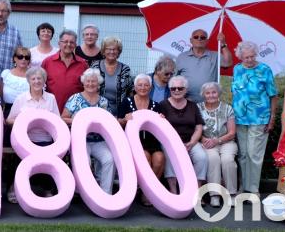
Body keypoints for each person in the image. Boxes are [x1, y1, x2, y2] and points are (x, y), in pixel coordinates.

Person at [5, 67, 59, 201]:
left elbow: (57, 121)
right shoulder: (21, 99)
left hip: (45, 139)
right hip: (25, 140)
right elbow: (9, 120)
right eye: (33, 79)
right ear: (28, 81)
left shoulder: (51, 98)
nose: (36, 81)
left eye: (39, 78)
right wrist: (22, 121)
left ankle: (47, 189)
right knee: (17, 160)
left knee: (49, 159)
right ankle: (13, 189)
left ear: (44, 80)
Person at [231, 41, 278, 196]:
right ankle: (243, 187)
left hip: (260, 117)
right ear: (240, 57)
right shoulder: (236, 69)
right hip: (239, 118)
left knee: (254, 154)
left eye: (252, 56)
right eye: (246, 57)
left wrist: (272, 118)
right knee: (243, 154)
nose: (249, 60)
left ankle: (253, 189)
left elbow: (273, 95)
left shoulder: (264, 69)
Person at [61, 68, 114, 194]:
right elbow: (62, 118)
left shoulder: (103, 102)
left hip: (98, 141)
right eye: (88, 81)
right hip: (80, 140)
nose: (90, 84)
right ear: (83, 83)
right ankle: (85, 191)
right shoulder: (75, 99)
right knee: (85, 161)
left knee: (109, 159)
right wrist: (75, 121)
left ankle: (106, 193)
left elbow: (109, 121)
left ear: (98, 84)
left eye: (94, 82)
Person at [118, 74, 163, 206]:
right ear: (135, 87)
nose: (143, 88)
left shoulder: (156, 105)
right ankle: (144, 191)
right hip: (134, 142)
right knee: (145, 157)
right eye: (140, 85)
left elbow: (160, 127)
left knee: (159, 158)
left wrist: (161, 119)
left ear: (150, 87)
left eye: (146, 85)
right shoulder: (127, 102)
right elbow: (118, 122)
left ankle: (149, 190)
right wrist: (124, 119)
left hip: (151, 141)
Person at [160, 75, 207, 194]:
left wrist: (192, 142)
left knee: (202, 157)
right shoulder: (163, 105)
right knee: (170, 155)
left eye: (180, 88)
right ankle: (173, 190)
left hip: (190, 141)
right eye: (173, 88)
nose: (176, 91)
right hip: (170, 142)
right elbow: (159, 127)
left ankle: (196, 190)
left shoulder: (193, 105)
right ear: (169, 90)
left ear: (185, 90)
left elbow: (198, 126)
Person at [197, 82, 237, 207]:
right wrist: (203, 139)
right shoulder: (198, 108)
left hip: (226, 141)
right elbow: (194, 129)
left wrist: (217, 140)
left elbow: (232, 133)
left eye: (214, 92)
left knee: (227, 160)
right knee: (212, 159)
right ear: (203, 94)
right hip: (207, 142)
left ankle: (231, 194)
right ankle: (215, 195)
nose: (211, 95)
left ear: (218, 93)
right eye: (207, 93)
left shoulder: (227, 108)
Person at [175, 29, 233, 102]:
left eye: (203, 37)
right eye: (196, 37)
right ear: (191, 40)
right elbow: (174, 79)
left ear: (207, 41)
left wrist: (223, 44)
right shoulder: (182, 57)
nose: (199, 39)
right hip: (186, 102)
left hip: (209, 102)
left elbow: (228, 63)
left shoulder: (215, 56)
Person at [41, 29, 89, 112]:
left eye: (72, 42)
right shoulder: (47, 62)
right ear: (59, 43)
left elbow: (87, 88)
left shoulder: (83, 64)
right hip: (51, 109)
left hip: (75, 112)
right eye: (65, 41)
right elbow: (40, 86)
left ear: (75, 45)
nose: (68, 44)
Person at [90, 36, 132, 118]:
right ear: (103, 51)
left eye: (115, 49)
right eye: (108, 49)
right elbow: (88, 87)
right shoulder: (95, 66)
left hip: (119, 114)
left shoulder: (125, 69)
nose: (112, 52)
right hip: (97, 112)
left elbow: (130, 92)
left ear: (118, 51)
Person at [0, 46, 31, 116]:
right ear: (14, 58)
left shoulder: (33, 76)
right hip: (7, 111)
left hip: (27, 112)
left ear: (29, 60)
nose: (23, 59)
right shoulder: (6, 74)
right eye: (20, 57)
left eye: (27, 57)